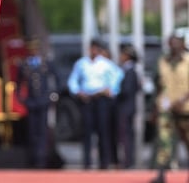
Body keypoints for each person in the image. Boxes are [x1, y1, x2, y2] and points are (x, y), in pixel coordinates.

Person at [67, 38, 123, 170]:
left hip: (101, 98)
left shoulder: (105, 64)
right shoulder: (81, 63)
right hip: (87, 99)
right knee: (86, 131)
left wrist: (111, 89)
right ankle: (87, 162)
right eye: (93, 48)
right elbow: (72, 80)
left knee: (103, 130)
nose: (95, 51)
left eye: (97, 49)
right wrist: (78, 92)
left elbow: (118, 75)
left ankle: (104, 162)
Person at [149, 33, 189, 183]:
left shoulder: (187, 61)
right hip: (166, 107)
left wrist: (182, 100)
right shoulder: (163, 61)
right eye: (171, 42)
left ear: (183, 44)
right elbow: (159, 85)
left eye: (176, 42)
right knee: (164, 140)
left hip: (185, 109)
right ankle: (161, 174)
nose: (173, 45)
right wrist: (154, 108)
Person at [15, 37, 58, 169]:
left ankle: (42, 158)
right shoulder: (24, 65)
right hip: (31, 101)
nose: (33, 51)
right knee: (32, 131)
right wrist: (21, 98)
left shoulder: (45, 63)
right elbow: (18, 83)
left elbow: (56, 78)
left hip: (44, 100)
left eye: (35, 48)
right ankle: (33, 157)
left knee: (43, 131)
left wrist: (53, 94)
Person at [116, 43, 141, 169]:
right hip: (129, 107)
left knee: (126, 135)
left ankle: (128, 161)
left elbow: (126, 90)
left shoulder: (129, 71)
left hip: (125, 108)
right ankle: (128, 160)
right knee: (127, 135)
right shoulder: (130, 70)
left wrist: (115, 93)